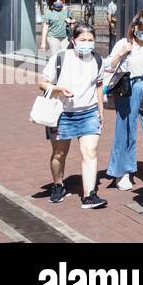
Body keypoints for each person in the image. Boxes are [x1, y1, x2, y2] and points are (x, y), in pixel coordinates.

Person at [39, 21, 107, 209]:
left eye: (90, 40)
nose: (87, 43)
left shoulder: (98, 60)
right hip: (62, 114)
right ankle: (58, 184)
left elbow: (99, 85)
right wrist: (58, 89)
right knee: (59, 153)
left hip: (89, 112)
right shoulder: (60, 58)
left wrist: (100, 110)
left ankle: (89, 195)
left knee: (90, 152)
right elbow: (43, 83)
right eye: (83, 39)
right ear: (73, 40)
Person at [103, 11, 143, 191]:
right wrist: (122, 53)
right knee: (125, 128)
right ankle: (122, 172)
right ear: (135, 26)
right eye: (142, 27)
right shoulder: (124, 43)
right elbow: (108, 65)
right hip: (128, 87)